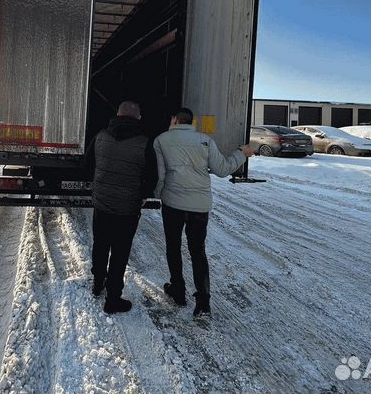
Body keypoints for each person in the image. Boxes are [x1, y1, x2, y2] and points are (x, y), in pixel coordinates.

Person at [153, 107, 253, 317]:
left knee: (173, 247)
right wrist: (240, 154)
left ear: (174, 120)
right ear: (192, 122)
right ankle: (203, 302)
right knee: (197, 251)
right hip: (200, 206)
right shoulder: (205, 141)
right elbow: (223, 170)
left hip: (173, 203)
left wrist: (157, 194)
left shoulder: (161, 140)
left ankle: (178, 291)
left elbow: (161, 175)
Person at [86, 101, 157, 313]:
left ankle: (98, 284)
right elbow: (152, 175)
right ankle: (113, 298)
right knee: (120, 252)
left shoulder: (100, 136)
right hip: (127, 209)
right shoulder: (145, 143)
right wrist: (144, 195)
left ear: (117, 114)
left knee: (100, 245)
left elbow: (88, 165)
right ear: (139, 119)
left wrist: (98, 184)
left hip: (102, 203)